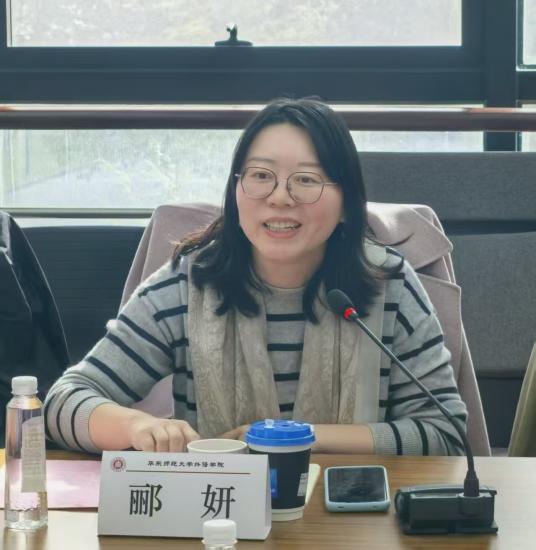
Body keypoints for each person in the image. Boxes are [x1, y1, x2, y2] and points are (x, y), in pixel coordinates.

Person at [44, 97, 467, 456]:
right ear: (235, 192)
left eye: (306, 180)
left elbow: (445, 433)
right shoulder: (187, 285)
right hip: (218, 515)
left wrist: (297, 438)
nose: (280, 198)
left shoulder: (388, 284)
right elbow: (62, 402)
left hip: (352, 512)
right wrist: (136, 426)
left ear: (346, 204)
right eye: (261, 176)